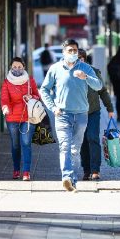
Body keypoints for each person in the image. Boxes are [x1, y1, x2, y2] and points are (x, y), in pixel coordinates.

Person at [40, 39, 102, 191]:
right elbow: (44, 89)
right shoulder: (55, 69)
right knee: (65, 146)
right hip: (62, 114)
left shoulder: (85, 68)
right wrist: (53, 107)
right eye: (70, 50)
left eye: (75, 50)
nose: (73, 53)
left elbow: (99, 85)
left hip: (81, 115)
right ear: (63, 52)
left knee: (75, 149)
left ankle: (72, 180)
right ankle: (67, 177)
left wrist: (86, 77)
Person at [0, 57, 40, 181]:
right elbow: (4, 98)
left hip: (28, 116)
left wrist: (31, 96)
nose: (17, 69)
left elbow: (37, 96)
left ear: (24, 67)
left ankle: (26, 172)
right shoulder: (7, 82)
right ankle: (16, 169)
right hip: (12, 117)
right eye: (14, 67)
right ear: (11, 68)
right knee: (16, 145)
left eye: (19, 67)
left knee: (26, 143)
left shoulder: (30, 80)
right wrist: (5, 107)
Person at [78, 49, 114, 181]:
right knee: (82, 141)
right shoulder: (70, 74)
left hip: (93, 111)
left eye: (81, 58)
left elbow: (103, 91)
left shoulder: (93, 71)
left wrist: (110, 108)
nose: (79, 60)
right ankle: (86, 170)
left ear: (85, 59)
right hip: (78, 113)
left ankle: (95, 170)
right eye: (76, 58)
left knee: (92, 137)